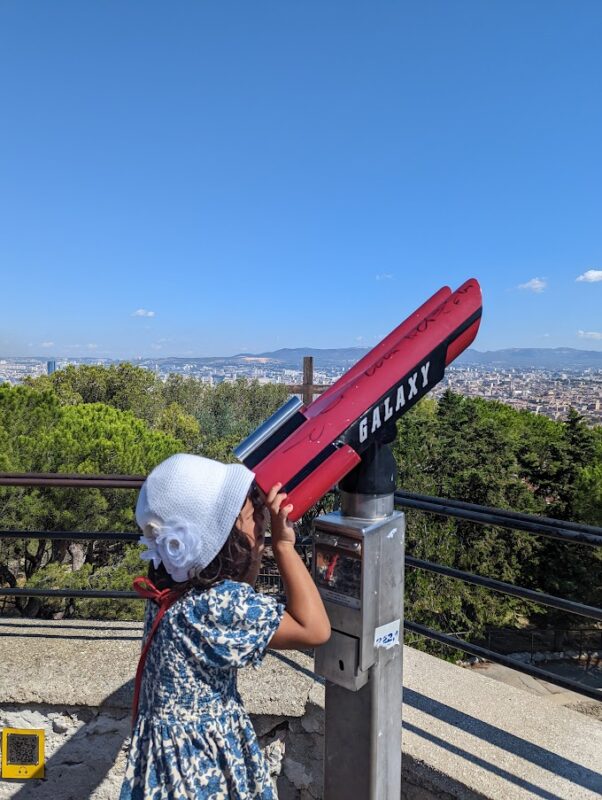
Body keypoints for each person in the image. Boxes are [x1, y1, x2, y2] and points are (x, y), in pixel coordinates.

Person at [119, 453, 331, 800]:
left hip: (167, 763)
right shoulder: (214, 605)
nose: (262, 521)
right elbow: (314, 629)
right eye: (251, 517)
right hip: (202, 769)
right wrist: (283, 546)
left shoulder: (170, 594)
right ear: (221, 542)